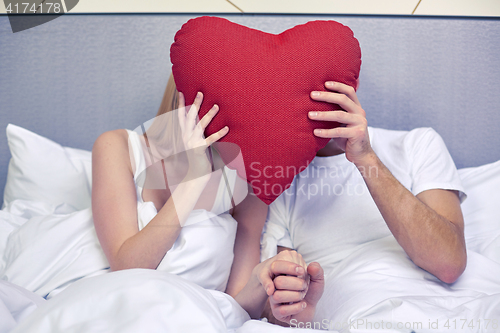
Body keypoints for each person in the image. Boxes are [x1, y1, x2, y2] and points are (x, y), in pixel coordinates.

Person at [91, 73, 323, 322]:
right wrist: (195, 178)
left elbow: (237, 305)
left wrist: (269, 288)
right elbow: (126, 269)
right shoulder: (117, 147)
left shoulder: (248, 186)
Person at [262, 79, 467, 324]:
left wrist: (365, 157)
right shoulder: (280, 186)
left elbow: (449, 263)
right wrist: (295, 305)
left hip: (438, 313)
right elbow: (276, 307)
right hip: (356, 318)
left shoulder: (417, 145)